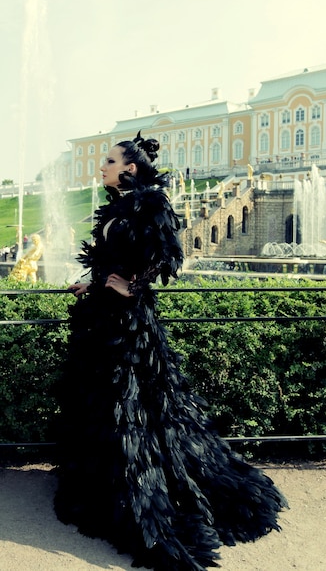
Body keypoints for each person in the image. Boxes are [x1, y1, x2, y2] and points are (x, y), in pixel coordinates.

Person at [54, 132, 287, 571]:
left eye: (108, 160)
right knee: (106, 405)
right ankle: (106, 485)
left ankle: (146, 495)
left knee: (135, 404)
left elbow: (167, 254)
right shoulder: (118, 206)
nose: (101, 166)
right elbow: (114, 259)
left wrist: (132, 286)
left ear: (131, 168)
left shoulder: (153, 203)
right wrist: (95, 280)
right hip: (100, 320)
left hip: (128, 324)